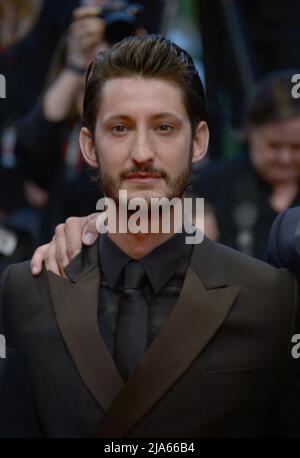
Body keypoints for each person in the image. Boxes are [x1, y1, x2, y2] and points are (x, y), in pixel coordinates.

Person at [1, 35, 300, 438]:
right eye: (121, 128)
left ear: (199, 142)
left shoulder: (271, 298)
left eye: (163, 127)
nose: (142, 152)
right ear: (90, 146)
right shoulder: (22, 293)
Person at [192, 70, 300, 259]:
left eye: (297, 147)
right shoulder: (208, 184)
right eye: (274, 146)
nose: (285, 158)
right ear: (250, 133)